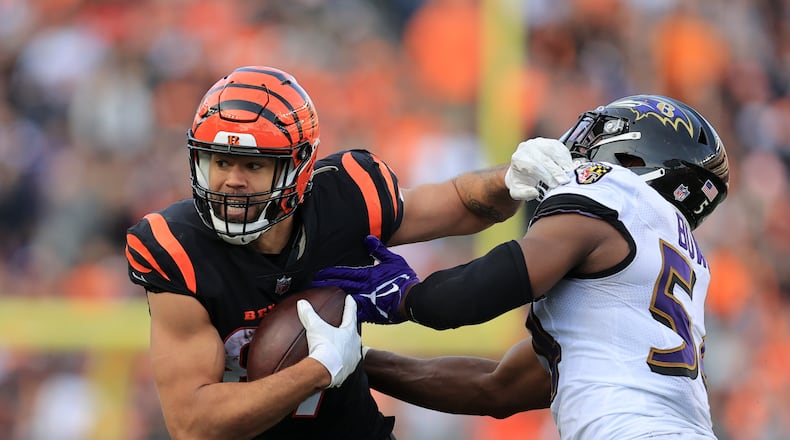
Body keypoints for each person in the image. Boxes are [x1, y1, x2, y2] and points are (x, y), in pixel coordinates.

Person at [124, 65, 573, 440]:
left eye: (254, 165)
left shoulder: (344, 198)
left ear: (298, 170)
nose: (232, 181)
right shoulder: (175, 246)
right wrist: (319, 368)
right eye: (222, 162)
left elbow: (459, 204)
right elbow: (191, 423)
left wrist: (507, 178)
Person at [312, 94, 730, 439]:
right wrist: (353, 361)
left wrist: (407, 298)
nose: (579, 147)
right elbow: (495, 388)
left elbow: (488, 289)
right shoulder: (670, 254)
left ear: (634, 155)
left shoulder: (614, 189)